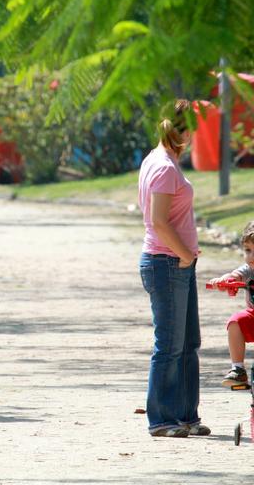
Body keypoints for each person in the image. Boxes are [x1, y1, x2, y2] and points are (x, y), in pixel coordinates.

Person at [138, 99, 210, 438]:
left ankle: (186, 416)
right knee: (169, 344)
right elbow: (158, 221)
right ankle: (161, 419)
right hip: (167, 263)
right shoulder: (164, 167)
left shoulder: (161, 160)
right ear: (185, 132)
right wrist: (183, 255)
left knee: (188, 342)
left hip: (178, 262)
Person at [208, 220, 254, 387]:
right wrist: (223, 280)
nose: (251, 257)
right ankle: (238, 369)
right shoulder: (249, 268)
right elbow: (234, 276)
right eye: (248, 250)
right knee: (236, 321)